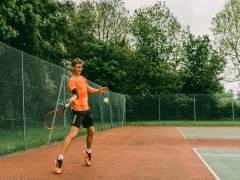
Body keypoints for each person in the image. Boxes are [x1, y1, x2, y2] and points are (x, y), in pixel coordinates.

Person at [54, 57, 109, 174]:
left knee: (91, 131)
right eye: (78, 67)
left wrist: (99, 91)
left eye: (81, 67)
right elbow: (75, 92)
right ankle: (59, 159)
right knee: (72, 135)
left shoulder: (83, 79)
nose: (80, 69)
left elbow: (88, 89)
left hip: (87, 110)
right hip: (78, 111)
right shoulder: (72, 81)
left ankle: (88, 152)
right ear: (73, 67)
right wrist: (74, 97)